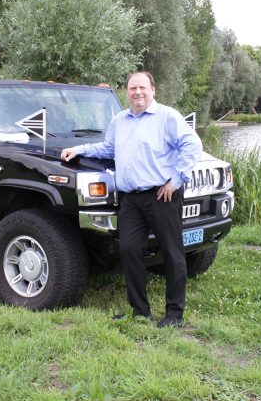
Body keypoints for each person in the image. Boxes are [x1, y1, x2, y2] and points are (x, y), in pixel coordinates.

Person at [61, 71, 202, 327]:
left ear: (153, 90)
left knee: (172, 253)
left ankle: (174, 314)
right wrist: (78, 149)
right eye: (132, 88)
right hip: (130, 200)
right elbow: (108, 148)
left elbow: (192, 145)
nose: (137, 92)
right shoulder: (120, 120)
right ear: (127, 92)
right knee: (129, 251)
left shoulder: (167, 117)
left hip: (162, 195)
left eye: (142, 87)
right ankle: (140, 311)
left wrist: (176, 181)